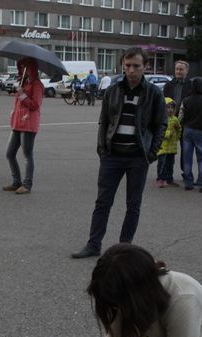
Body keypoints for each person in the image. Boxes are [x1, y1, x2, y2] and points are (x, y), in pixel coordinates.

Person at [71, 48, 166, 259]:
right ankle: (93, 244)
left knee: (133, 205)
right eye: (127, 65)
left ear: (145, 67)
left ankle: (125, 248)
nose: (131, 70)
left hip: (137, 157)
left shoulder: (153, 93)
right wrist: (102, 150)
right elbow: (104, 121)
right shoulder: (114, 90)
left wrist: (151, 153)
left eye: (136, 66)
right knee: (102, 202)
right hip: (112, 155)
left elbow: (161, 124)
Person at [3, 58, 44, 195]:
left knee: (27, 154)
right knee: (9, 153)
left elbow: (35, 105)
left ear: (31, 69)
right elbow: (19, 102)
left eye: (25, 67)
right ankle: (16, 182)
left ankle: (27, 184)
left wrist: (22, 95)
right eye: (21, 67)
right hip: (18, 122)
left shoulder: (37, 84)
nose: (22, 69)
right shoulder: (23, 82)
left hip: (28, 123)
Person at [181, 78, 202, 192]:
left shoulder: (186, 100)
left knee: (187, 157)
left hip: (187, 130)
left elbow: (181, 116)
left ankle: (188, 182)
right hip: (201, 130)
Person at [163, 61, 193, 181]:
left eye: (181, 69)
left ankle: (186, 173)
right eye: (177, 69)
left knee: (185, 149)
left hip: (185, 122)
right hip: (170, 121)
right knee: (167, 148)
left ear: (187, 71)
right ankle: (165, 173)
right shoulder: (169, 85)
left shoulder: (191, 85)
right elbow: (163, 101)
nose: (179, 72)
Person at [156, 98, 182, 188]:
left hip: (172, 147)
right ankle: (160, 179)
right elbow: (158, 131)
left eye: (172, 107)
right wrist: (168, 134)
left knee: (170, 164)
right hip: (162, 147)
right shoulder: (161, 119)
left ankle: (169, 179)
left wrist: (177, 137)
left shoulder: (175, 119)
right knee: (162, 164)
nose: (170, 109)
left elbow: (179, 129)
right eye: (167, 107)